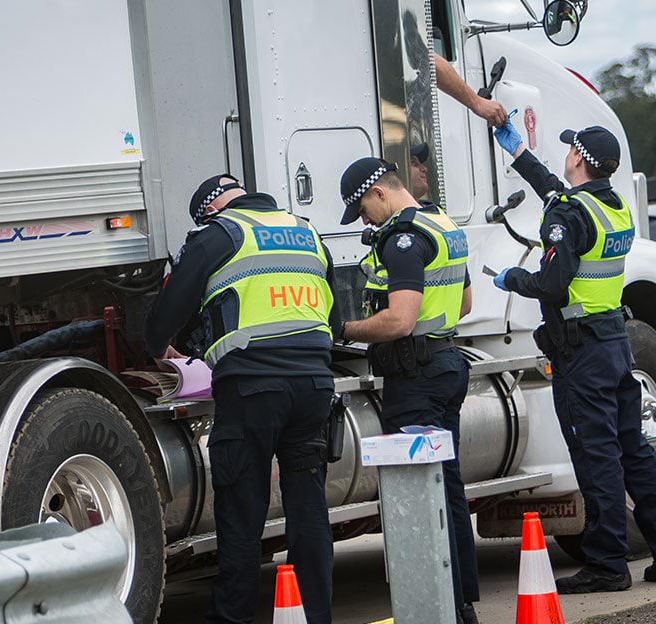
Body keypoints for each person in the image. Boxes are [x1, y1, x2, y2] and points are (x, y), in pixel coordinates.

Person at [488, 121, 656, 593]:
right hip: (614, 342)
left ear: (578, 158)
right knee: (636, 451)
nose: (565, 159)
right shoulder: (613, 208)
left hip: (581, 354)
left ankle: (606, 564)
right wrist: (518, 150)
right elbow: (558, 194)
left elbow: (551, 284)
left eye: (569, 152)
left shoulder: (569, 215)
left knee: (596, 456)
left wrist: (511, 280)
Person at [144, 175, 340, 624]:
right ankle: (317, 616)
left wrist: (159, 347)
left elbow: (170, 313)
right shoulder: (307, 232)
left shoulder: (217, 234)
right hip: (314, 385)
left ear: (210, 208)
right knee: (308, 507)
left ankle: (232, 618)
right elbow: (333, 315)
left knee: (242, 510)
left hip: (253, 389)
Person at [336, 158, 480, 624]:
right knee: (447, 488)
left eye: (361, 208)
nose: (363, 219)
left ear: (379, 192)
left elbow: (400, 320)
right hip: (445, 364)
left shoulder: (402, 239)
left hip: (415, 379)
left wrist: (342, 330)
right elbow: (464, 301)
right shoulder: (443, 224)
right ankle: (460, 603)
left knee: (419, 494)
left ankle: (438, 608)